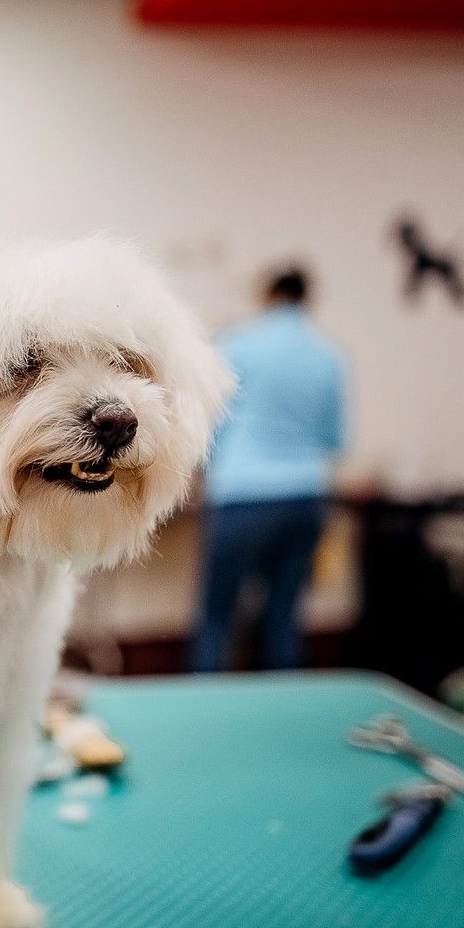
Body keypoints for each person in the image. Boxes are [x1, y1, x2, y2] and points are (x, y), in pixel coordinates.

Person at [190, 265, 346, 672]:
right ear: (306, 299)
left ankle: (202, 714)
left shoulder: (239, 344)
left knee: (216, 618)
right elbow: (335, 440)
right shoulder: (330, 356)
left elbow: (207, 423)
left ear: (268, 295)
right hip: (306, 497)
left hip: (242, 496)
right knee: (282, 618)